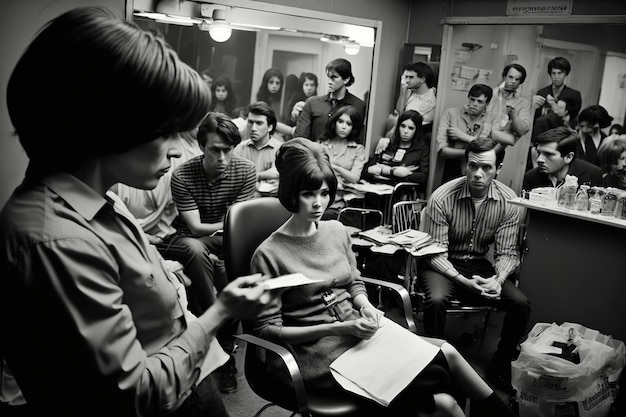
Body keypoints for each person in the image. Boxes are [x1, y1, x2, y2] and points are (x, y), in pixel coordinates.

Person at [0, 7, 274, 417]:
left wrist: (161, 273)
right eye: (163, 131)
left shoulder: (98, 198)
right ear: (103, 124)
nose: (178, 148)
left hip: (190, 379)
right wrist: (221, 311)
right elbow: (137, 394)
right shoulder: (55, 240)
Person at [250, 138, 517, 417]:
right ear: (291, 193)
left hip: (359, 335)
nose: (319, 203)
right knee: (442, 392)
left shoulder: (335, 231)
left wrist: (365, 306)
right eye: (308, 194)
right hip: (317, 357)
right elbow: (267, 330)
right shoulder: (269, 254)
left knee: (445, 359)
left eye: (325, 193)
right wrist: (337, 330)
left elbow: (354, 282)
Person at [419, 138, 531, 396]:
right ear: (465, 165)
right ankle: (436, 365)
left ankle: (499, 366)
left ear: (498, 168)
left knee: (521, 304)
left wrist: (499, 280)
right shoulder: (442, 197)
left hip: (479, 265)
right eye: (473, 165)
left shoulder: (508, 201)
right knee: (436, 300)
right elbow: (434, 252)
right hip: (441, 263)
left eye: (487, 168)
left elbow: (507, 252)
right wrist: (462, 280)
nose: (478, 174)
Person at [171, 113, 257, 393]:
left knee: (243, 254)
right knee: (196, 250)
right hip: (191, 240)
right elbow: (195, 229)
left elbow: (240, 228)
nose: (222, 157)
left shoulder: (245, 170)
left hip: (228, 240)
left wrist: (226, 230)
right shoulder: (182, 174)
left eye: (227, 150)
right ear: (201, 147)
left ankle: (217, 341)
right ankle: (221, 338)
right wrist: (226, 225)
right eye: (214, 150)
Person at [113, 130, 219, 315]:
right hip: (139, 239)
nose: (176, 151)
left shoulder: (173, 175)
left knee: (201, 251)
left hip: (167, 237)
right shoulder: (118, 186)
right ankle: (215, 316)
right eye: (165, 137)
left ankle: (215, 316)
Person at [436, 84, 504, 181]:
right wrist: (474, 152)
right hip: (453, 166)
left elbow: (492, 149)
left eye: (480, 101)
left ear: (487, 103)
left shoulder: (493, 118)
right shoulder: (451, 114)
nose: (474, 104)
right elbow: (442, 151)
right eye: (472, 99)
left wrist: (464, 137)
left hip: (482, 168)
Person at [294, 58, 366, 141]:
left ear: (346, 79)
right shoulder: (312, 103)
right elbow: (300, 138)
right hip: (313, 151)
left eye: (334, 77)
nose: (329, 81)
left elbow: (357, 139)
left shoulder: (358, 106)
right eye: (329, 77)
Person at [318, 105, 366, 219]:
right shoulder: (321, 145)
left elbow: (354, 178)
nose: (344, 127)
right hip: (318, 198)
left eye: (349, 124)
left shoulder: (358, 149)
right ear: (334, 122)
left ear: (353, 127)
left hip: (339, 205)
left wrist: (334, 167)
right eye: (340, 122)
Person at [364, 110, 430, 192]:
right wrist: (392, 171)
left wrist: (408, 174)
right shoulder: (387, 144)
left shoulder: (421, 149)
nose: (405, 131)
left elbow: (423, 177)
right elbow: (367, 169)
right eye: (402, 126)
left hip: (400, 192)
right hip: (377, 188)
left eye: (411, 128)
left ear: (416, 130)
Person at [523, 126, 602, 190]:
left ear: (568, 157)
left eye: (548, 154)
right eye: (539, 152)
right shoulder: (531, 177)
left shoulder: (592, 174)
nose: (539, 159)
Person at [233, 102, 282, 195]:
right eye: (250, 122)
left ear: (270, 127)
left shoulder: (281, 149)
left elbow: (277, 176)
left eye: (259, 123)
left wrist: (253, 177)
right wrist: (262, 178)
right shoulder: (238, 149)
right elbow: (235, 181)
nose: (253, 128)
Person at [388, 62, 437, 136]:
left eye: (411, 77)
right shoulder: (412, 92)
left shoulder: (429, 100)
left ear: (422, 79)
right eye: (406, 77)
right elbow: (398, 112)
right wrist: (402, 93)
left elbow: (404, 119)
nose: (407, 80)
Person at [487, 63, 531, 143]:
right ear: (504, 77)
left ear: (520, 82)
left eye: (517, 79)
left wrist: (513, 114)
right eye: (510, 77)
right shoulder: (492, 95)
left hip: (501, 146)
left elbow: (522, 132)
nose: (513, 81)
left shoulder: (524, 103)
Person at [532, 57, 582, 122]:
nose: (556, 77)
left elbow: (573, 120)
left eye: (559, 73)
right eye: (553, 73)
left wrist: (554, 105)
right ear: (550, 74)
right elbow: (535, 117)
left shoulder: (574, 95)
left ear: (566, 74)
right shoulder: (542, 92)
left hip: (562, 130)